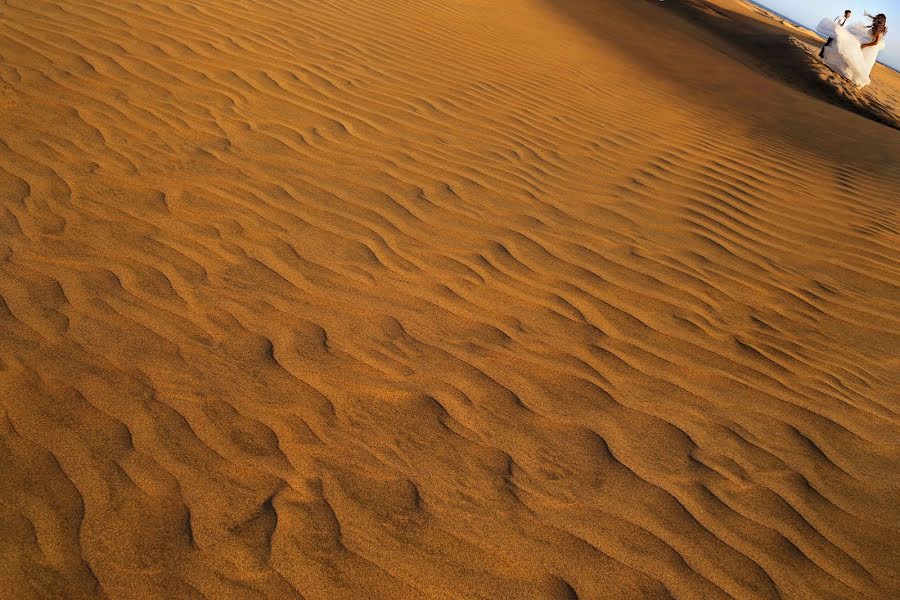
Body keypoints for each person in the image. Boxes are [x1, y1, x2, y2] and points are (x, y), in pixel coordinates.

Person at [816, 13, 888, 87]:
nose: (875, 19)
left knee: (859, 62)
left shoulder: (880, 31)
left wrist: (864, 45)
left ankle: (853, 78)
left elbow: (875, 43)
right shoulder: (874, 26)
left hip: (870, 48)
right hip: (867, 43)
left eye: (877, 18)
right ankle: (848, 75)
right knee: (854, 58)